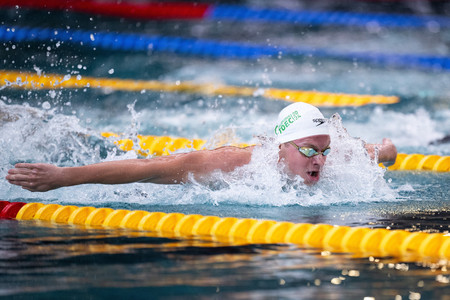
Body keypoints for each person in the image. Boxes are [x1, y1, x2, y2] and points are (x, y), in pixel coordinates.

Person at [6, 102, 397, 192]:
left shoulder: (335, 154)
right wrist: (62, 176)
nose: (321, 161)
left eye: (324, 150)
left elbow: (379, 151)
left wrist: (386, 149)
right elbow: (149, 167)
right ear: (282, 148)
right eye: (310, 150)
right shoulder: (236, 164)